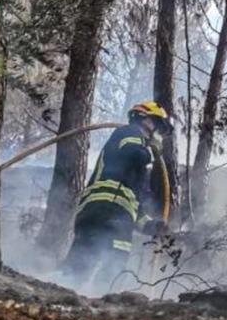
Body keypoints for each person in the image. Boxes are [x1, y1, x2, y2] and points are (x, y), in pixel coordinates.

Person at [60, 101, 172, 286]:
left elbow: (136, 206)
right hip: (110, 212)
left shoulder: (136, 173)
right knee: (114, 267)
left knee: (79, 265)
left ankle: (61, 293)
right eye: (157, 124)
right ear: (144, 118)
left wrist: (152, 226)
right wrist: (152, 150)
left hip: (100, 213)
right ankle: (103, 301)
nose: (157, 131)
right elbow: (134, 154)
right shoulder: (131, 132)